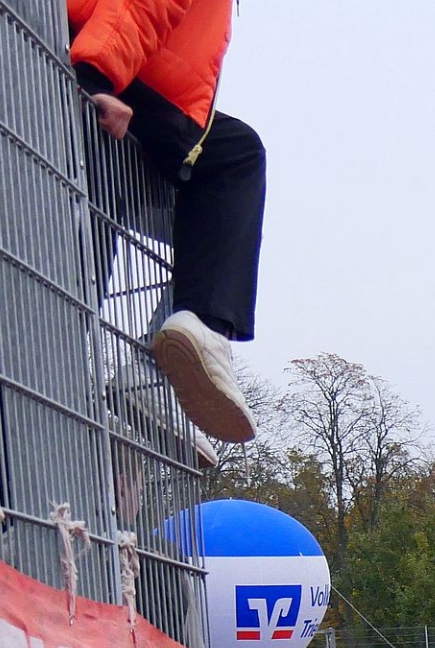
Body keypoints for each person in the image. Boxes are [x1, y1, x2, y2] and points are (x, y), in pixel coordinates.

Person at [70, 0, 266, 444]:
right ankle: (182, 345)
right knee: (236, 159)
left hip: (92, 58)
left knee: (99, 215)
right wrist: (96, 76)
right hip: (106, 65)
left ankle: (128, 370)